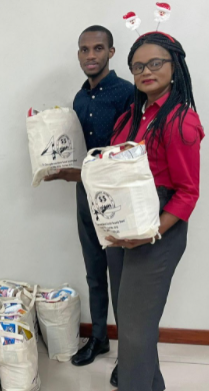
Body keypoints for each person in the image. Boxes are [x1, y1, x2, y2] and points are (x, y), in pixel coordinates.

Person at [106, 32, 203, 391]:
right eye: (138, 66)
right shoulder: (134, 114)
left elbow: (188, 192)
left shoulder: (181, 121)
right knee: (130, 314)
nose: (146, 71)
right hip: (121, 227)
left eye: (155, 63)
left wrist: (149, 233)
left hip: (158, 228)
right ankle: (150, 382)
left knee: (134, 322)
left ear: (174, 66)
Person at [44, 26, 134, 372]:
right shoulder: (80, 99)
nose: (90, 55)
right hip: (84, 194)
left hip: (116, 198)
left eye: (98, 48)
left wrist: (84, 172)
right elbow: (76, 148)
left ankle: (129, 355)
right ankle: (99, 337)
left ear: (111, 52)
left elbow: (130, 152)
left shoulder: (128, 93)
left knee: (121, 278)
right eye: (84, 49)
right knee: (94, 271)